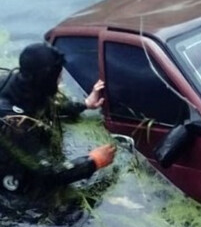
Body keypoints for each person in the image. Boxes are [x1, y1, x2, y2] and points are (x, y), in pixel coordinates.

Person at [0, 43, 116, 200]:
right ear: (45, 79)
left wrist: (84, 104)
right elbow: (48, 173)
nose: (61, 79)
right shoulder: (15, 125)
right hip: (14, 184)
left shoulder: (23, 82)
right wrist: (93, 161)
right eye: (57, 76)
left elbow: (47, 101)